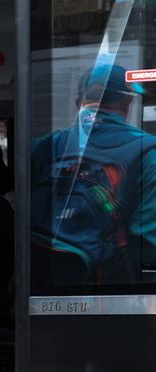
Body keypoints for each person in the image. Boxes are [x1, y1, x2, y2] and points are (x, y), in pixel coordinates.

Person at [30, 57, 156, 286]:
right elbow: (147, 241)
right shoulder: (149, 151)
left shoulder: (45, 147)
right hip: (110, 293)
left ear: (79, 103)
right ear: (127, 103)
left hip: (38, 287)